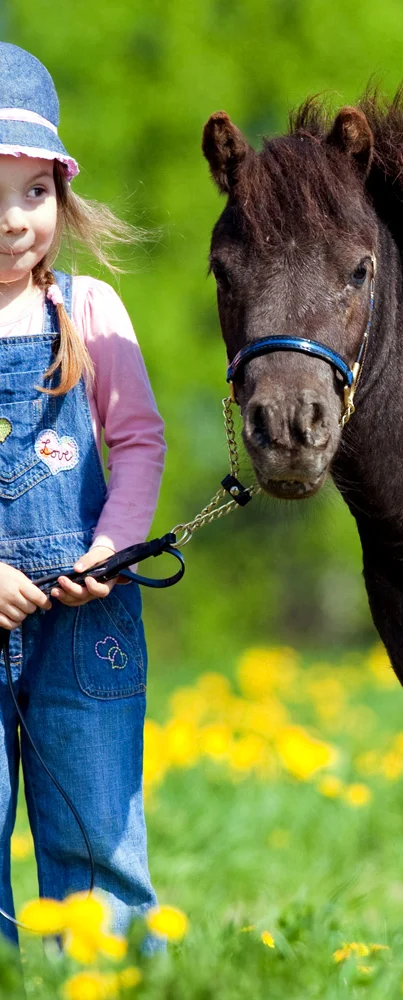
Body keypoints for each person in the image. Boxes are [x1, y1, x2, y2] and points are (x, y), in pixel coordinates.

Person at [0, 42, 165, 945]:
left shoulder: (89, 306)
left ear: (60, 194)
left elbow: (138, 440)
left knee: (98, 839)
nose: (14, 220)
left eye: (33, 192)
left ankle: (109, 978)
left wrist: (113, 548)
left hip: (84, 615)